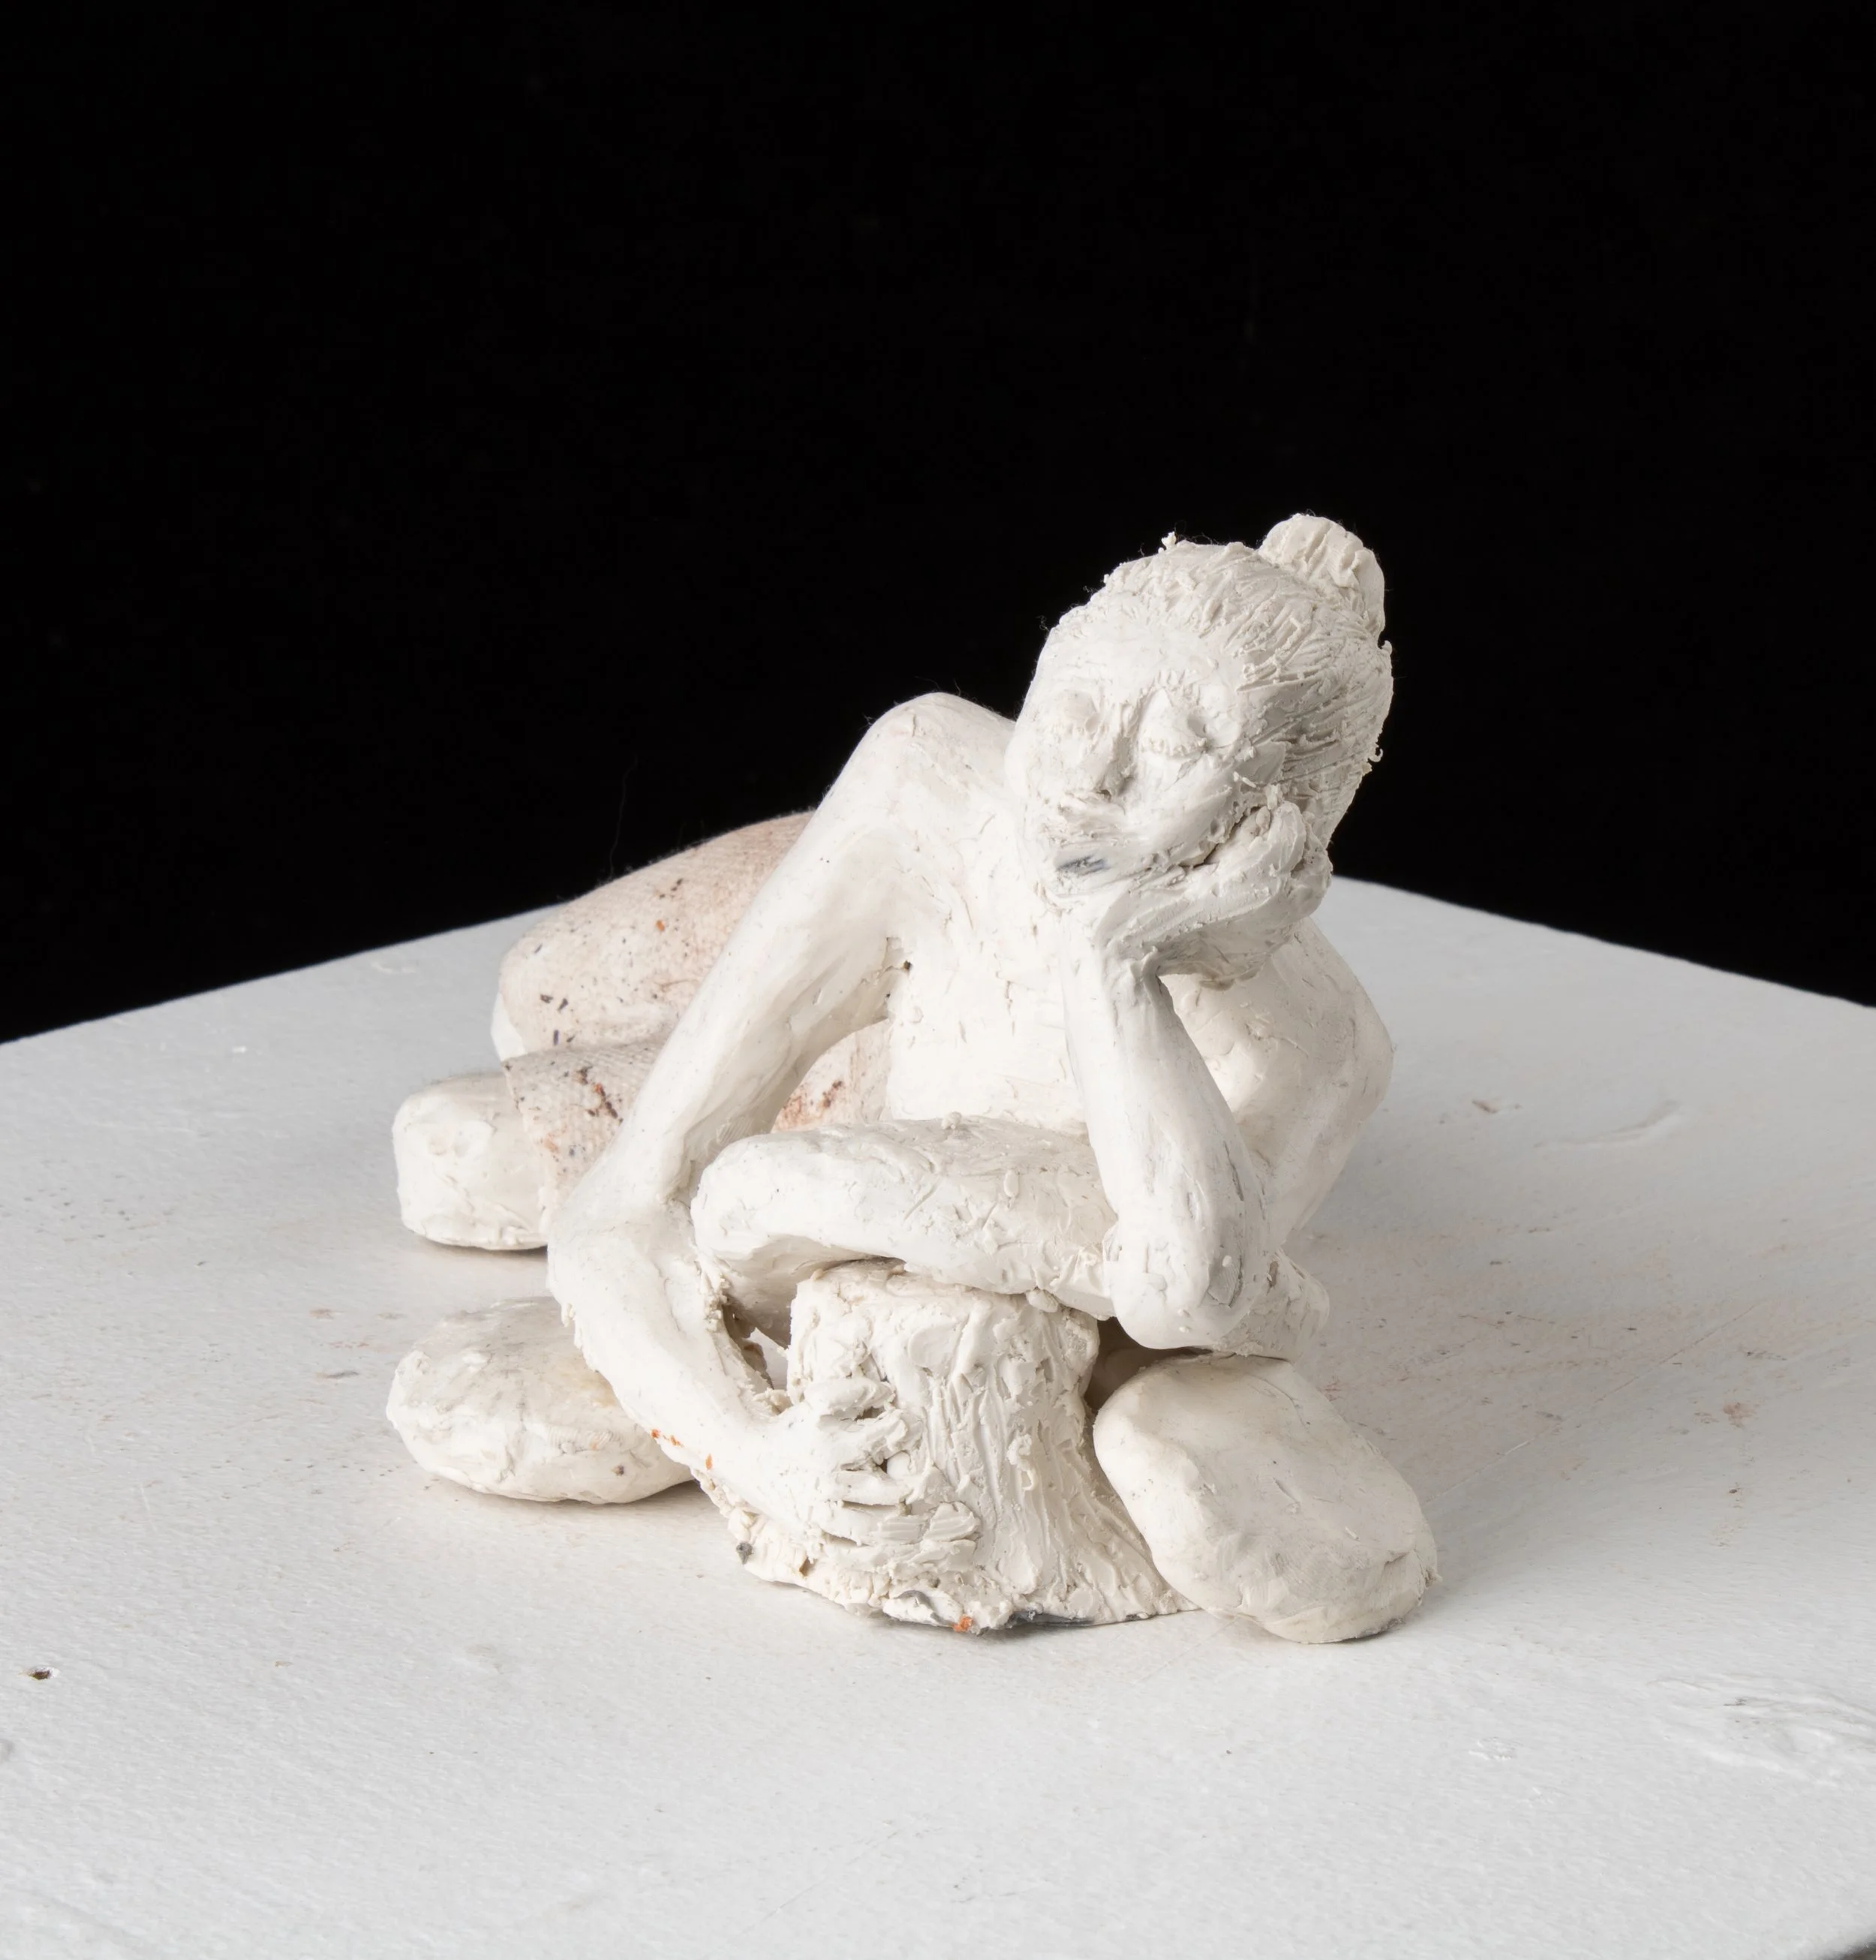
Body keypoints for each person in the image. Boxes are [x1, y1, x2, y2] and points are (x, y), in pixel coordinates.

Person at [537, 519, 1436, 1640]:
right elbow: (624, 1204)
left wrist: (1112, 966)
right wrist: (757, 1456)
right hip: (837, 1042)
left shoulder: (1318, 1044)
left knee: (734, 1185)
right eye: (1080, 698)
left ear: (1280, 827)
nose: (1088, 773)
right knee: (540, 1032)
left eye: (1177, 746)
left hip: (888, 1163)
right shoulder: (925, 779)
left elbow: (1190, 1295)